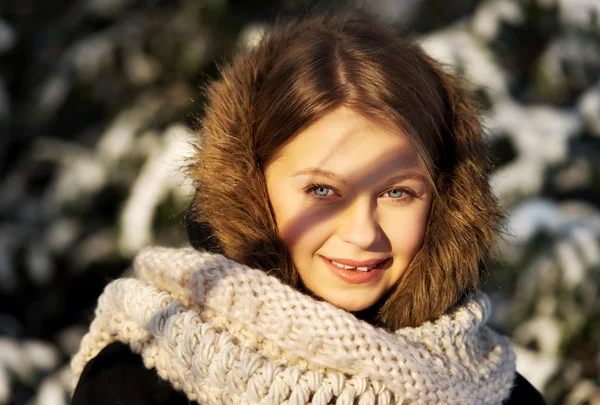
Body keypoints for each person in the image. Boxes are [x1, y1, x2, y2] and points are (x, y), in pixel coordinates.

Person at [70, 14, 546, 404]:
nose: (362, 233)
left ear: (446, 201)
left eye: (398, 193)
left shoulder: (502, 396)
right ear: (250, 187)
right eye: (322, 190)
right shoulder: (136, 381)